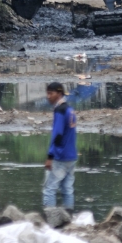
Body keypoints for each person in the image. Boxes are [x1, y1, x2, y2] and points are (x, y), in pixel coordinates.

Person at [43, 81, 78, 213]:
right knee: (67, 189)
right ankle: (68, 219)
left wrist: (50, 156)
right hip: (71, 155)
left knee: (49, 189)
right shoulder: (70, 109)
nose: (48, 96)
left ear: (59, 93)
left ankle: (50, 220)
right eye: (47, 93)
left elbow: (57, 135)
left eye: (50, 93)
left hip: (60, 156)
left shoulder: (60, 111)